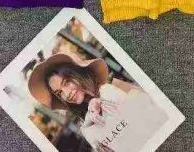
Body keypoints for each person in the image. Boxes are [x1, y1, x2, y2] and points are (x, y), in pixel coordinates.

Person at [28, 53, 167, 152]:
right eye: (59, 93)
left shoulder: (112, 86)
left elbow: (156, 108)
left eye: (67, 82)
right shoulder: (87, 125)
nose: (67, 93)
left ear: (77, 73)